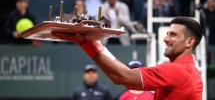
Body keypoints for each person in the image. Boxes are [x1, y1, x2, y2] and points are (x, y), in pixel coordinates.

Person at [52, 17, 203, 100]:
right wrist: (99, 47)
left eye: (173, 35)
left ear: (189, 42)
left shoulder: (176, 71)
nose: (165, 39)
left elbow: (121, 76)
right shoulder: (189, 72)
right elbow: (123, 72)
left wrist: (85, 43)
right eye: (167, 33)